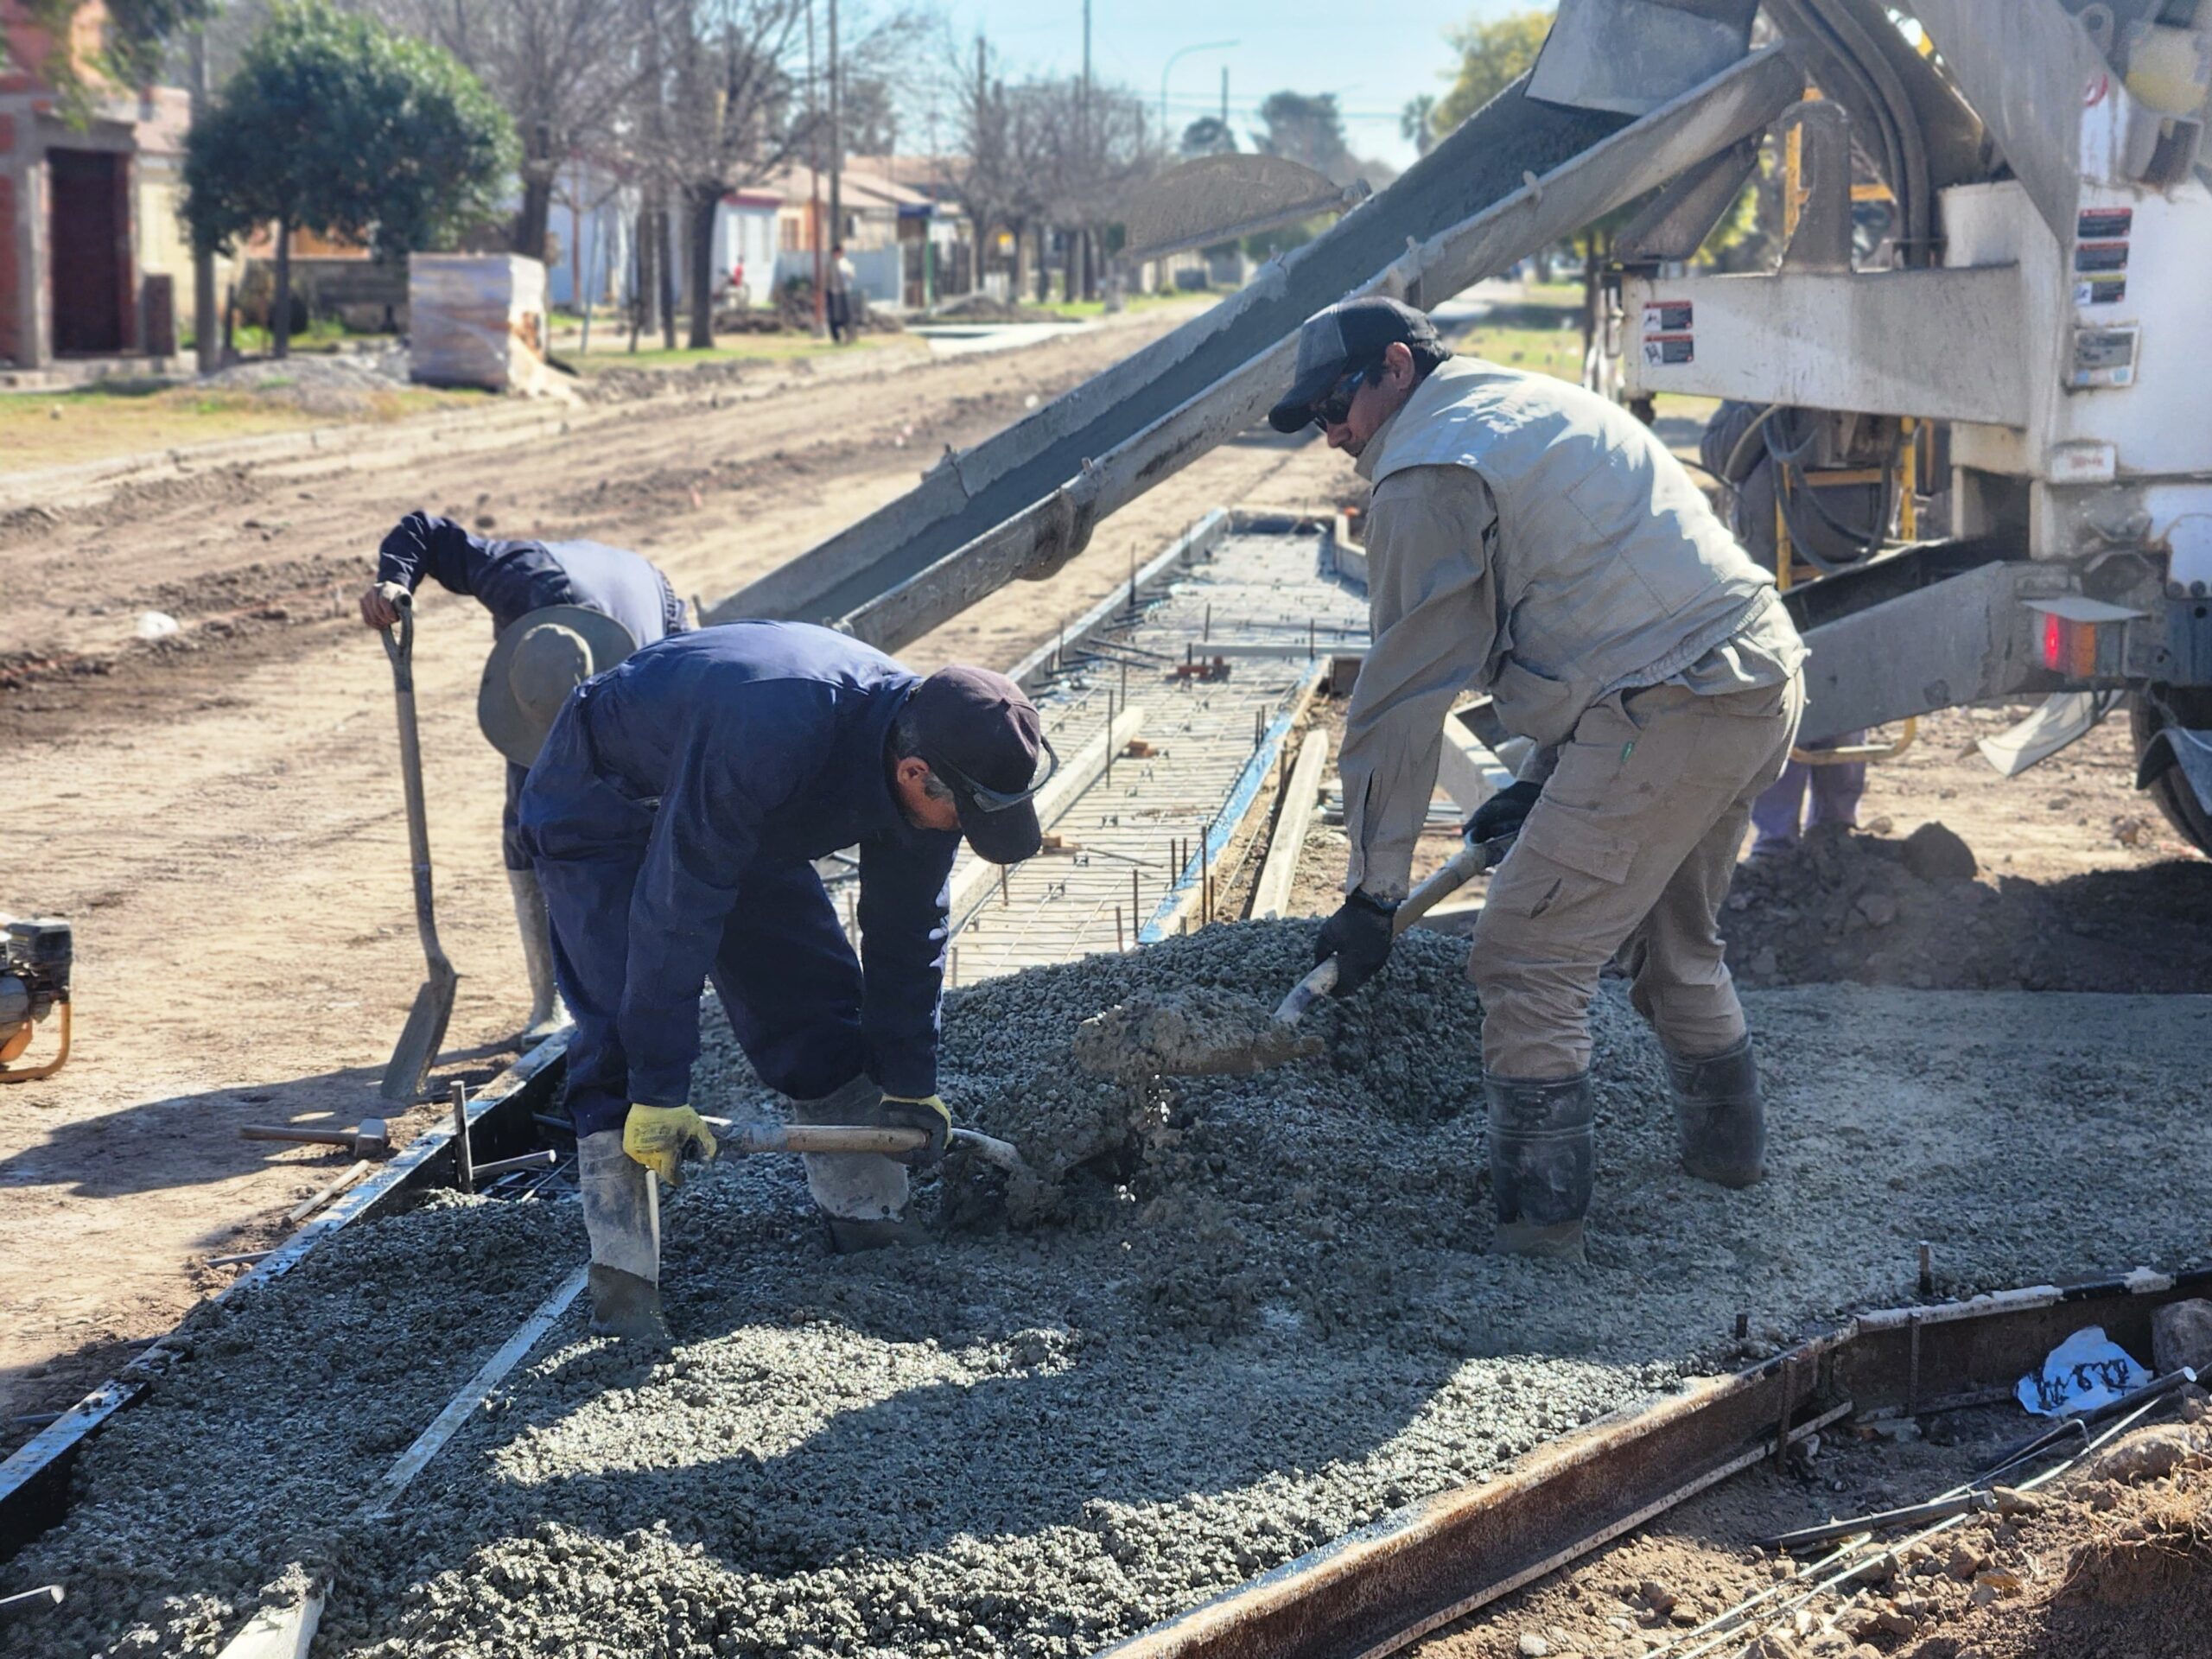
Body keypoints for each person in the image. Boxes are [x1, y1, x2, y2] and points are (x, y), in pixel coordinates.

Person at [1268, 296, 1808, 1262]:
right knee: (1673, 935)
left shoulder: (1424, 470)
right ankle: (1728, 1162)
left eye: (1336, 403)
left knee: (1523, 956)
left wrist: (1370, 892)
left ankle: (1539, 1233)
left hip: (1671, 704)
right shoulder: (1514, 403)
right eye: (1311, 419)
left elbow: (1399, 698)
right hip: (1751, 672)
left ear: (1396, 367)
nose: (1331, 432)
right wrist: (1547, 771)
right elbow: (1596, 596)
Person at [517, 622, 1052, 1340]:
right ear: (913, 775)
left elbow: (908, 924)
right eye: (963, 813)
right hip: (604, 798)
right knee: (619, 1029)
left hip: (744, 805)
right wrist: (658, 1088)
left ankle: (869, 1219)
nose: (962, 829)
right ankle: (626, 1288)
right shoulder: (771, 728)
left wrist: (908, 1079)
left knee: (815, 1006)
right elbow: (678, 906)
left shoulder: (937, 745)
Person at [359, 513, 687, 1041]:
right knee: (529, 818)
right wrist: (394, 578)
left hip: (652, 621)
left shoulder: (648, 668)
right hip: (540, 684)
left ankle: (650, 980)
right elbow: (428, 531)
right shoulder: (515, 576)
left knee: (642, 811)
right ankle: (548, 1000)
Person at [825, 243, 858, 343]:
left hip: (844, 292)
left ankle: (850, 335)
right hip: (833, 292)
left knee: (847, 315)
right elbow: (827, 278)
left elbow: (851, 276)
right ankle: (836, 337)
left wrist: (849, 274)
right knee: (833, 316)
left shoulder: (845, 263)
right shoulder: (829, 264)